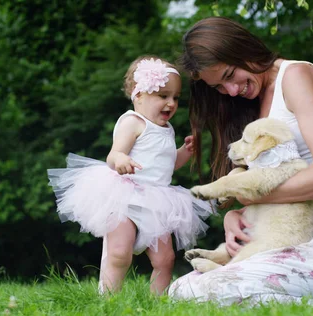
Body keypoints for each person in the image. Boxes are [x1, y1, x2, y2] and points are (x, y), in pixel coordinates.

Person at [167, 17, 313, 306]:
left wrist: (246, 193)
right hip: (281, 242)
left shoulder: (295, 76)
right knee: (181, 291)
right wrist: (234, 214)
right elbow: (268, 186)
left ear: (243, 48)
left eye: (229, 74)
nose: (232, 90)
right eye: (219, 87)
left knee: (208, 292)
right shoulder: (251, 104)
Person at [47, 56, 214, 295]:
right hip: (125, 196)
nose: (171, 103)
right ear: (139, 96)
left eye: (175, 97)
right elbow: (113, 155)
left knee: (165, 259)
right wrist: (121, 159)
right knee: (118, 253)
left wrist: (184, 152)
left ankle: (159, 303)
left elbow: (167, 165)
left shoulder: (167, 130)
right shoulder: (132, 122)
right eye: (162, 96)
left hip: (158, 201)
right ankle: (108, 299)